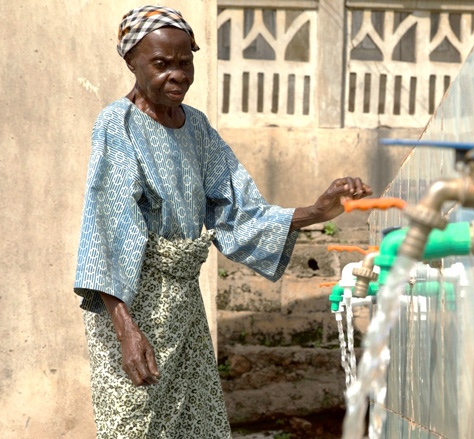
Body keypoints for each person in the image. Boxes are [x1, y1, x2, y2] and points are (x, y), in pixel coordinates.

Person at [73, 5, 373, 438]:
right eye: (161, 64)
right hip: (128, 306)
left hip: (183, 308)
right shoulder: (116, 125)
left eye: (184, 62)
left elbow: (237, 209)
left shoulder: (195, 127)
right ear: (130, 62)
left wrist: (315, 212)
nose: (176, 74)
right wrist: (126, 332)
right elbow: (106, 232)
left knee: (196, 424)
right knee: (133, 425)